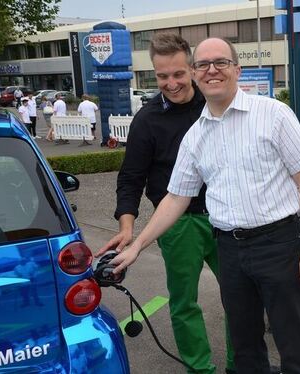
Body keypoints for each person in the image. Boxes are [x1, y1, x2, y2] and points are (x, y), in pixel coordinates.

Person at [107, 37, 300, 374]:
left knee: (293, 340)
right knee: (245, 344)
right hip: (230, 248)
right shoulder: (196, 136)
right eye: (204, 65)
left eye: (221, 62)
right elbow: (176, 197)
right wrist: (136, 245)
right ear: (196, 74)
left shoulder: (273, 114)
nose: (212, 70)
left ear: (237, 69)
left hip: (278, 243)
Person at [95, 32, 237, 374]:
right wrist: (127, 227)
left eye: (177, 74)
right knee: (184, 303)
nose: (171, 83)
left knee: (239, 298)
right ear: (154, 75)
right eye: (162, 76)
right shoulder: (147, 119)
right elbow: (131, 177)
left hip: (227, 219)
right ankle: (200, 369)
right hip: (177, 223)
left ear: (190, 69)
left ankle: (242, 363)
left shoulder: (216, 104)